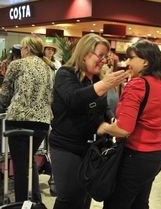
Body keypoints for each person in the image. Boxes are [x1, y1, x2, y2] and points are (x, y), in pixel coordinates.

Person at [49, 33, 128, 209]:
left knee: (84, 197)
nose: (103, 61)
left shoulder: (98, 79)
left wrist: (110, 121)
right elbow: (74, 99)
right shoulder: (66, 74)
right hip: (66, 146)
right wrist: (104, 85)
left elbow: (101, 109)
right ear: (85, 54)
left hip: (91, 148)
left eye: (105, 57)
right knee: (69, 198)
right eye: (100, 55)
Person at [97, 39, 161, 209]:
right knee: (140, 203)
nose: (127, 62)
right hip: (156, 154)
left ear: (145, 61)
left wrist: (104, 127)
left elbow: (123, 130)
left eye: (131, 58)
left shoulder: (137, 85)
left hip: (136, 155)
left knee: (117, 203)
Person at [0, 36, 55, 202]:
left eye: (22, 48)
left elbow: (5, 95)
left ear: (27, 49)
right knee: (29, 161)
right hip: (42, 123)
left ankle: (21, 203)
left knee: (21, 167)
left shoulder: (17, 64)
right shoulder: (49, 68)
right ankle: (35, 200)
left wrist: (1, 102)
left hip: (18, 120)